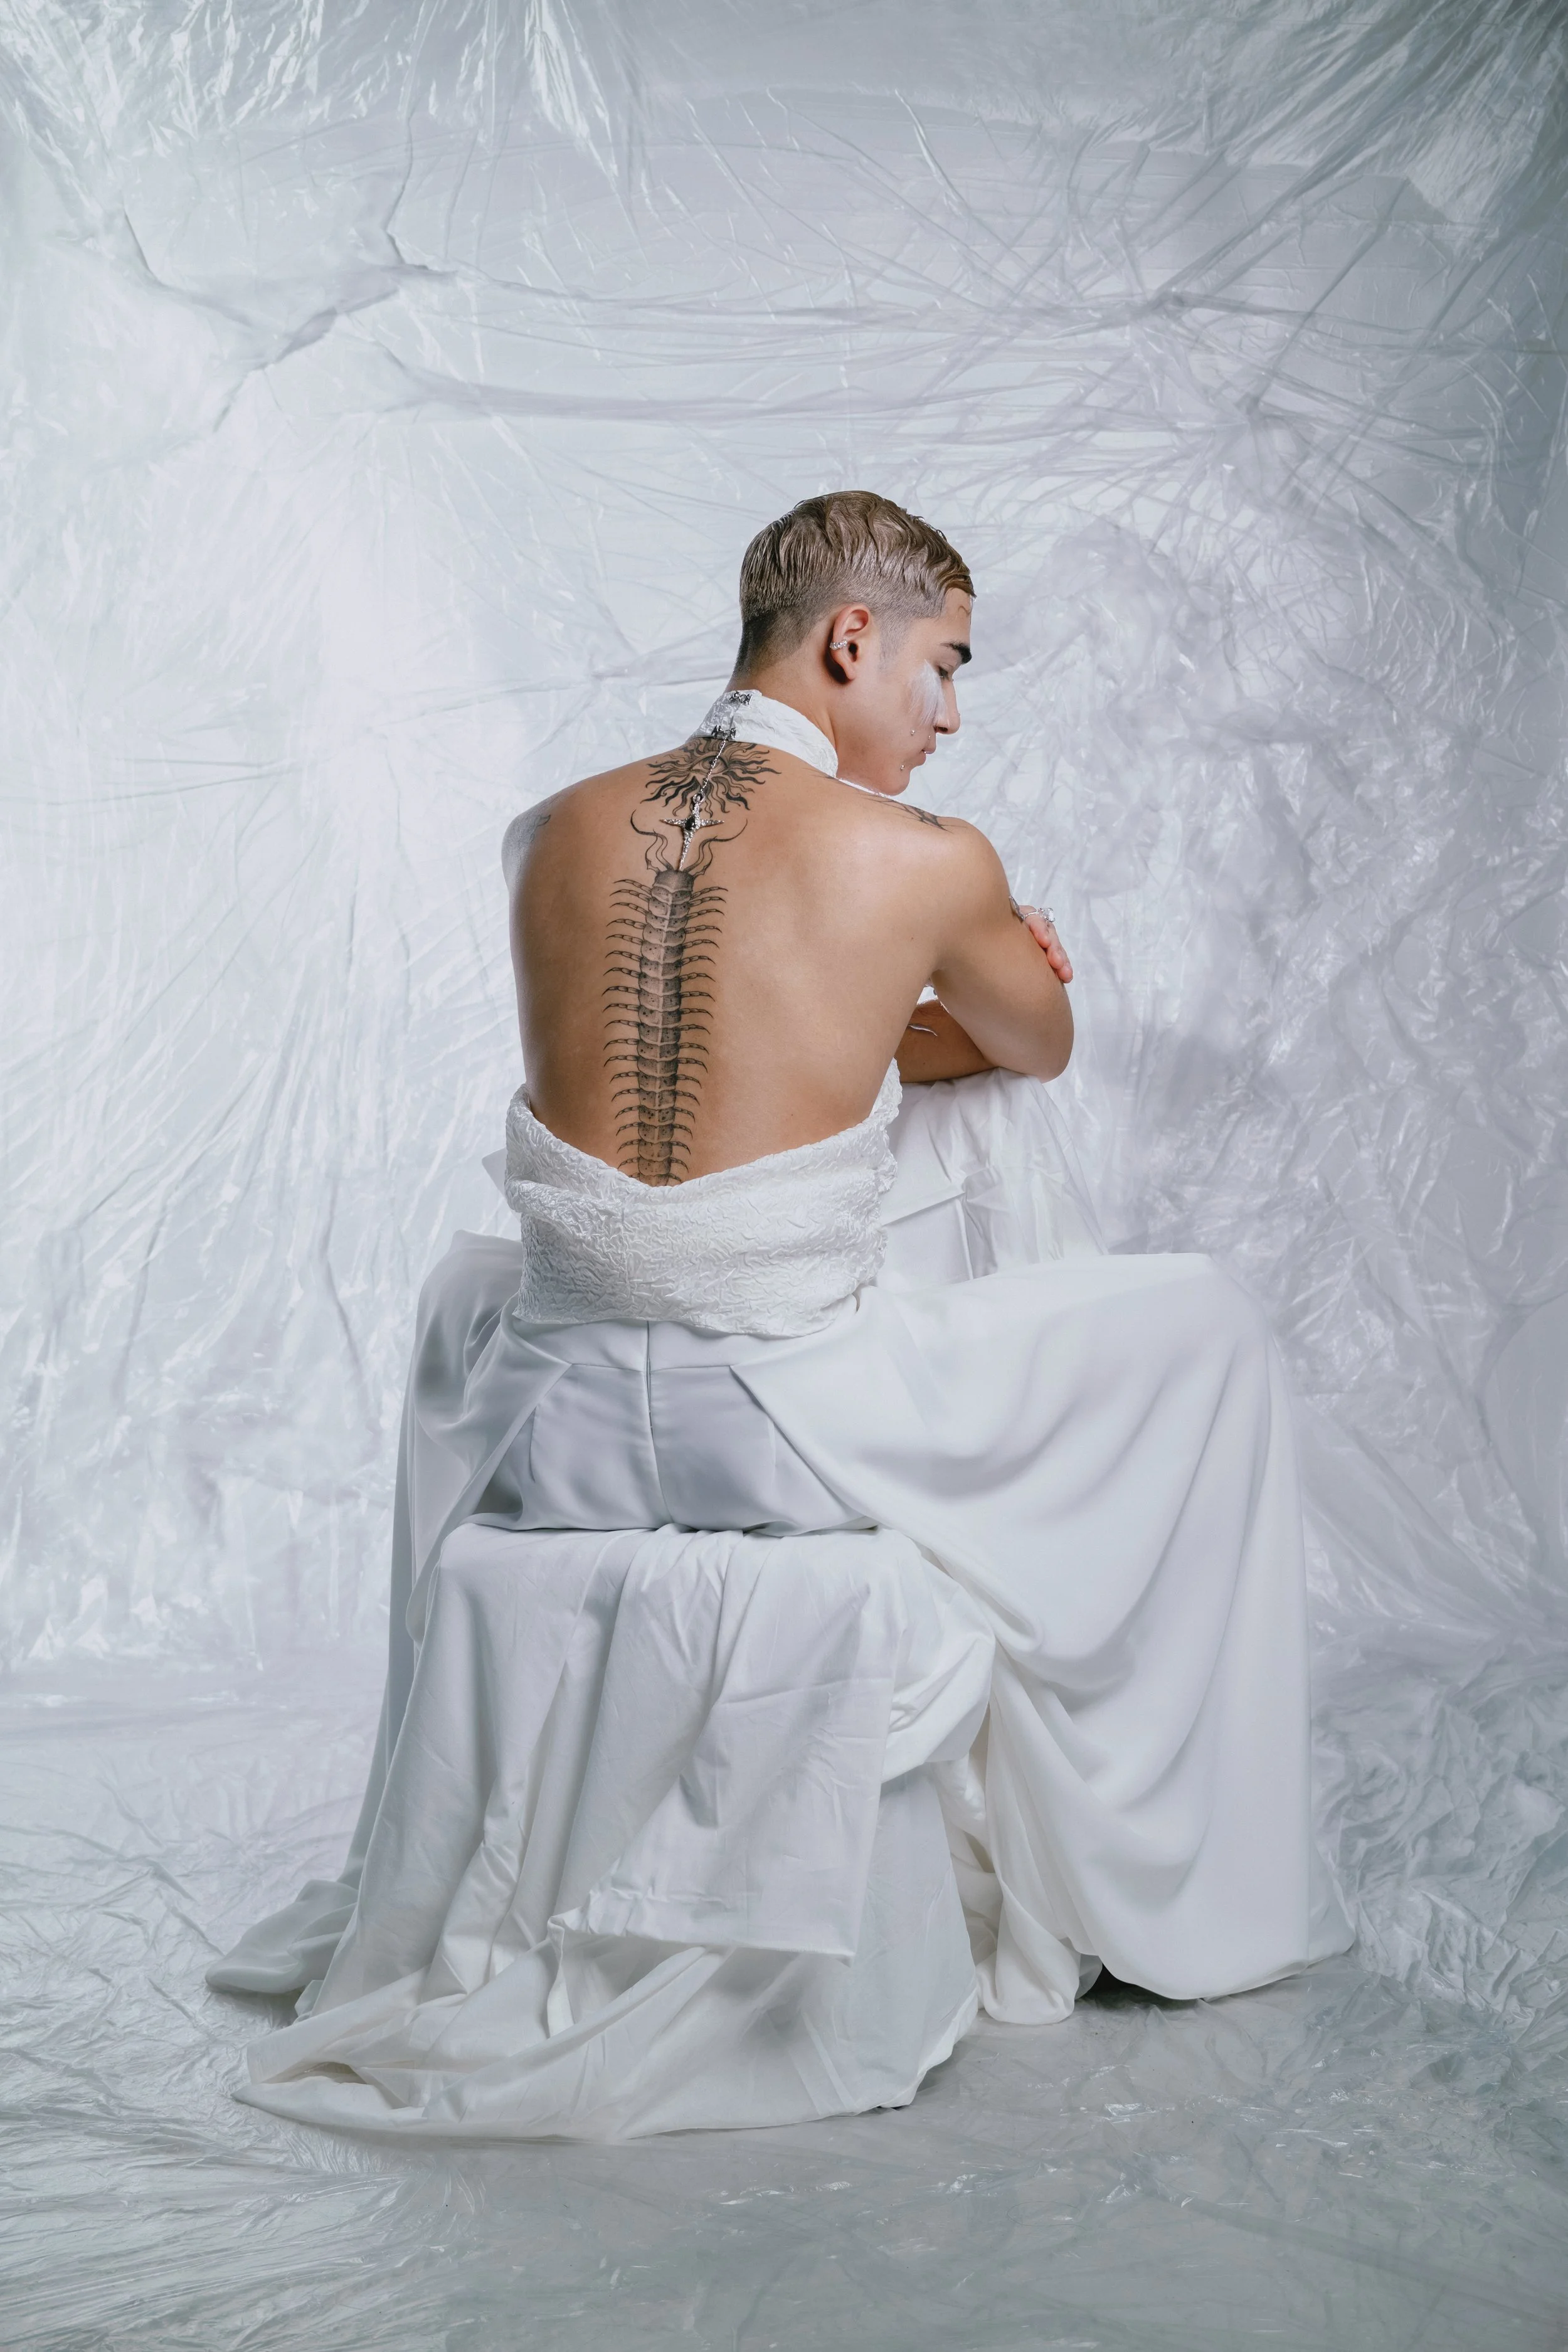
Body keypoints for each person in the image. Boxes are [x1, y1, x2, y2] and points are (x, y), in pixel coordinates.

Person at [209, 492, 1350, 2139]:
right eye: (942, 669)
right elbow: (1033, 1047)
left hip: (568, 1421)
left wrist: (838, 1020)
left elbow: (716, 1051)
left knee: (491, 1275)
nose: (946, 718)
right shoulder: (923, 859)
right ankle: (1169, 1876)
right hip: (797, 1425)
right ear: (847, 639)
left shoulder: (546, 829)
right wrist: (935, 978)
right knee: (1209, 1324)